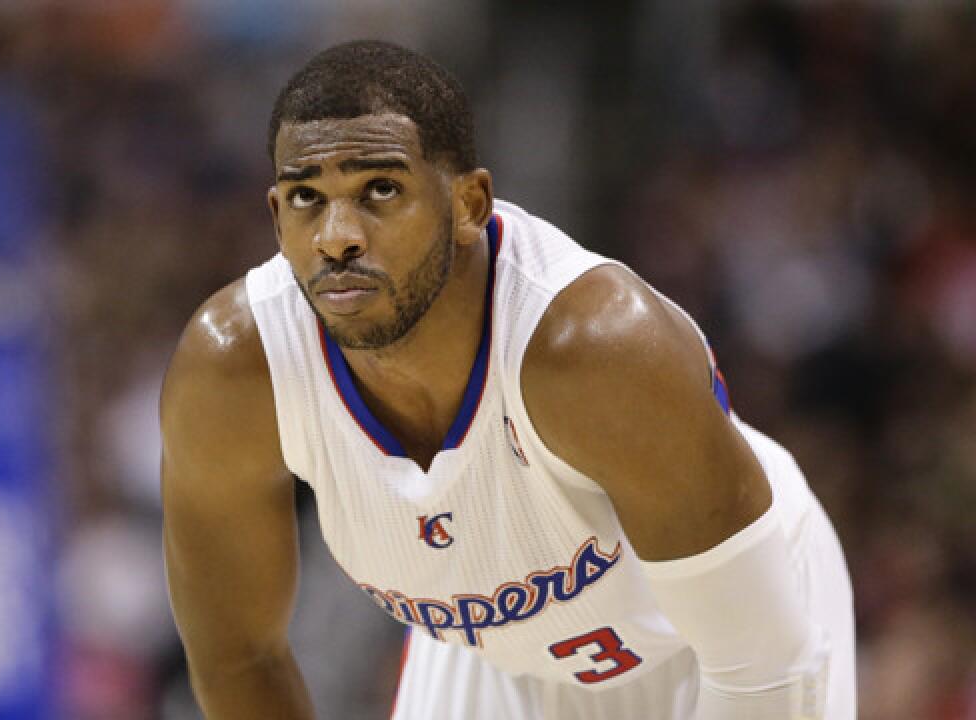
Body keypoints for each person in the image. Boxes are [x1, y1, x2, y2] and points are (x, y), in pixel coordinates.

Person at [160, 40, 856, 720]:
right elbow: (237, 659)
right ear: (277, 216)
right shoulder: (233, 371)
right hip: (498, 665)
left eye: (380, 189)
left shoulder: (597, 352)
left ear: (469, 204)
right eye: (308, 197)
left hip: (720, 647)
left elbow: (764, 667)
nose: (337, 236)